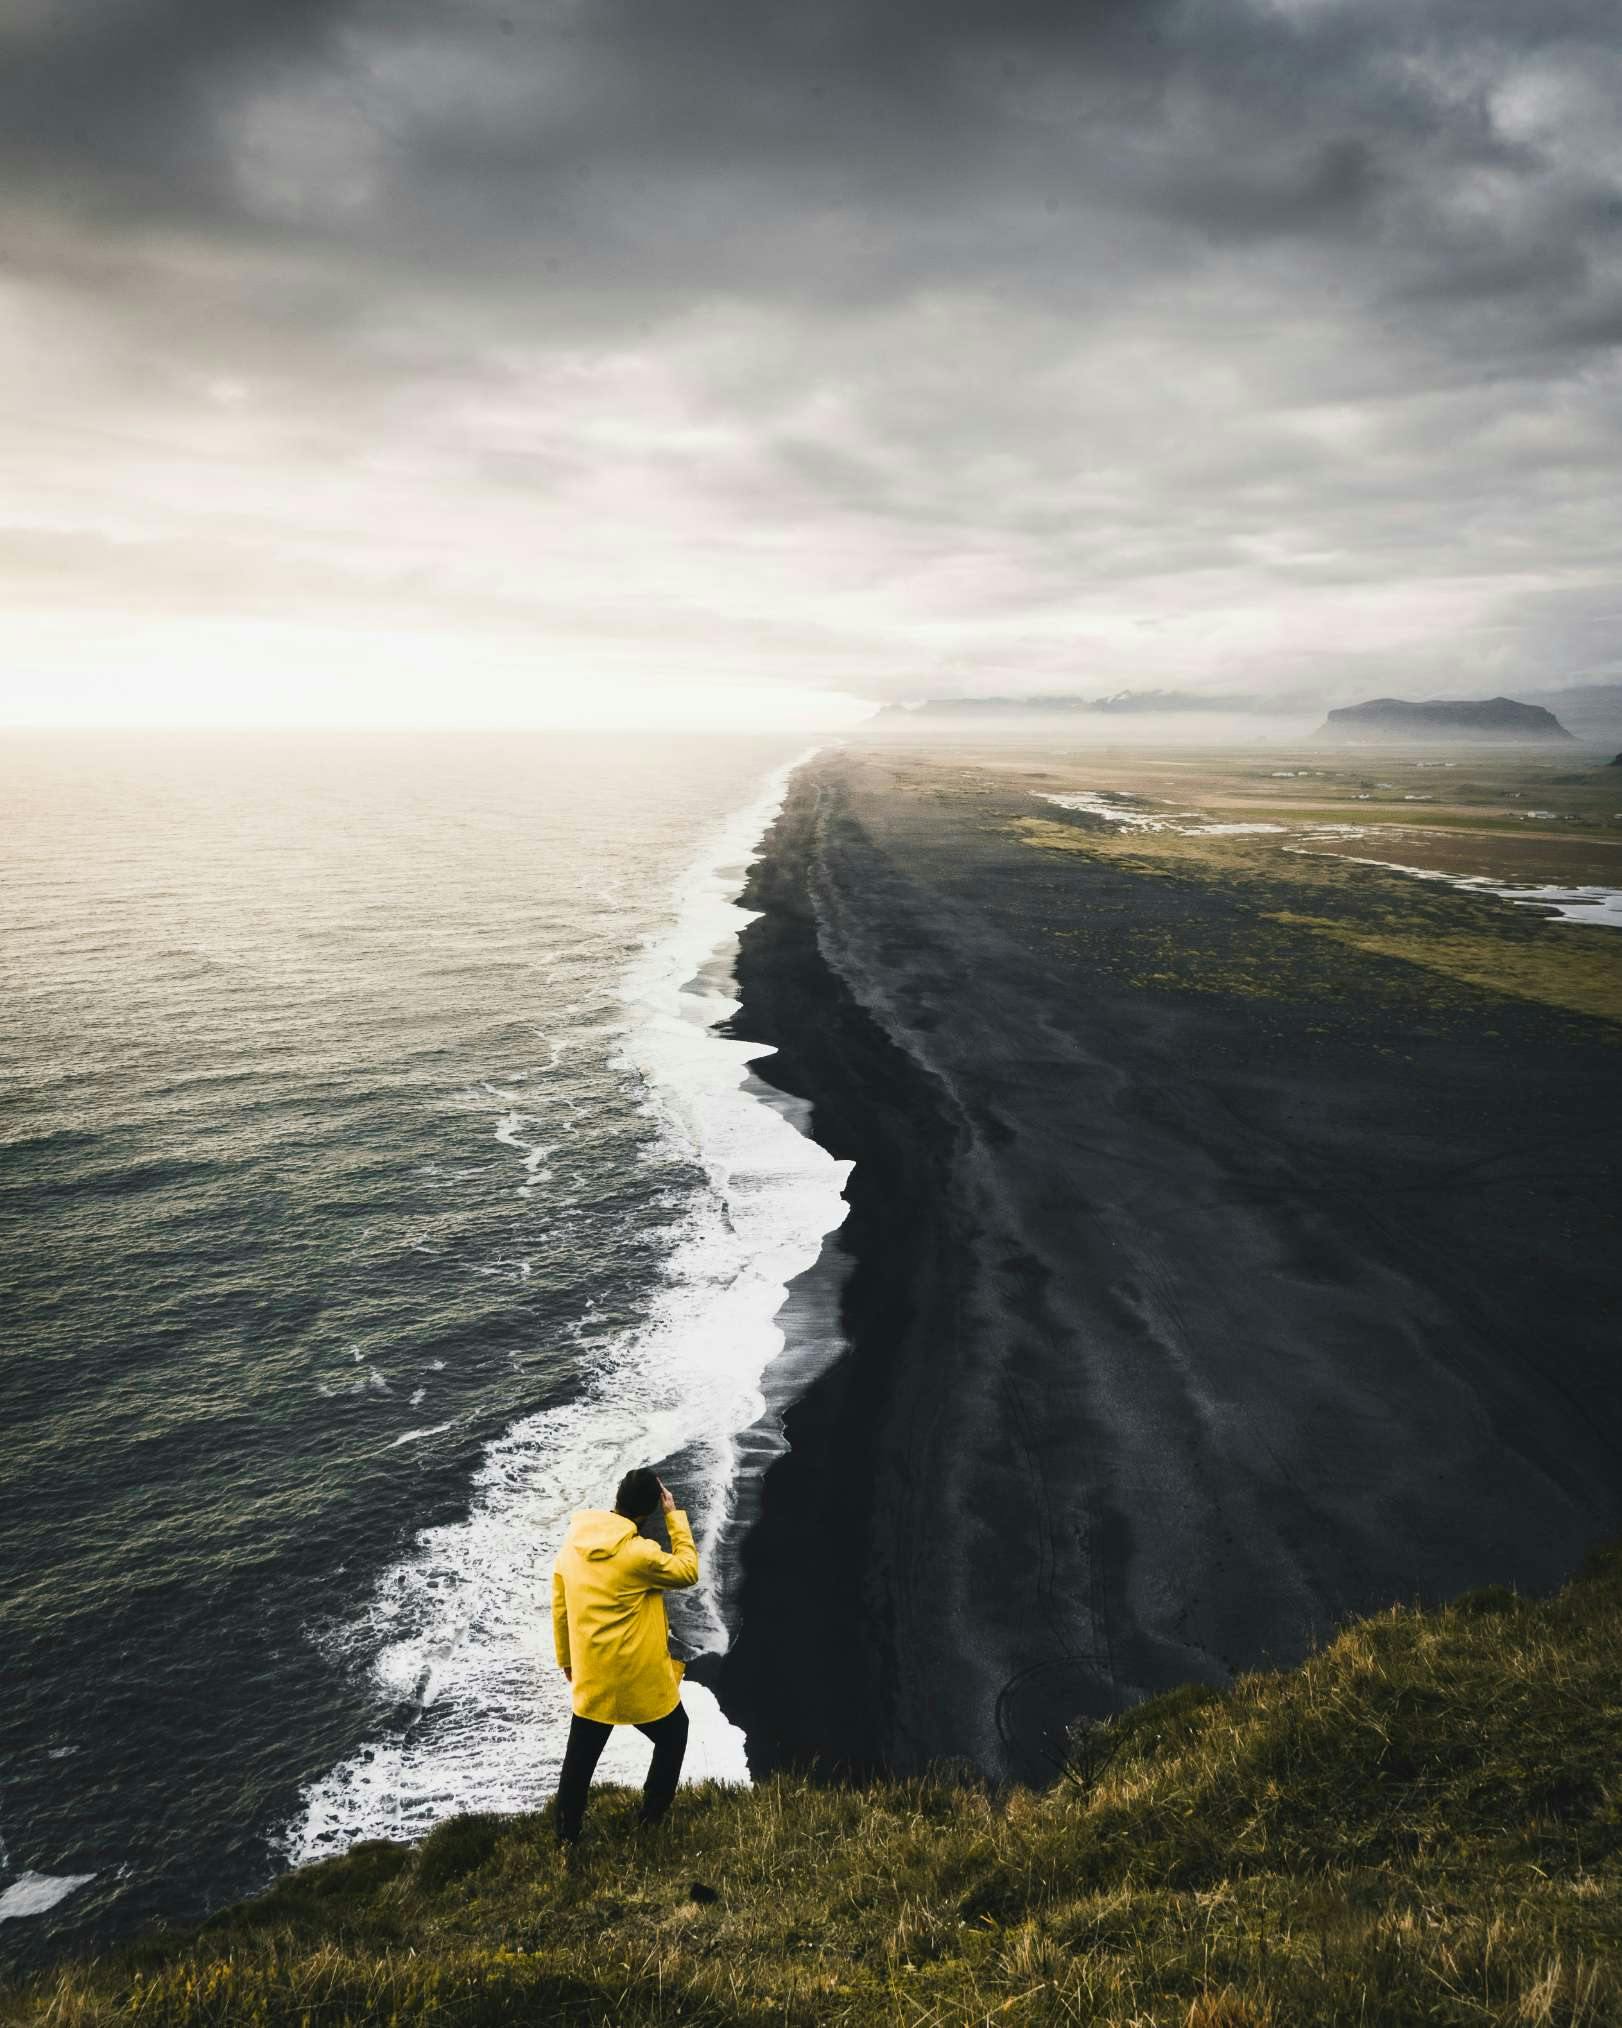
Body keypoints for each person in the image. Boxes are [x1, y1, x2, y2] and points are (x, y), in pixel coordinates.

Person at [549, 1466, 699, 1845]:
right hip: (636, 1678)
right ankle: (650, 1819)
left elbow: (561, 1608)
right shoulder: (639, 1555)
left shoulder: (573, 1545)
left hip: (594, 1673)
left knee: (580, 1759)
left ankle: (566, 1836)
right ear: (648, 1510)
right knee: (673, 1734)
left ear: (616, 1500)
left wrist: (567, 1661)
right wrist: (674, 1517)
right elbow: (688, 1570)